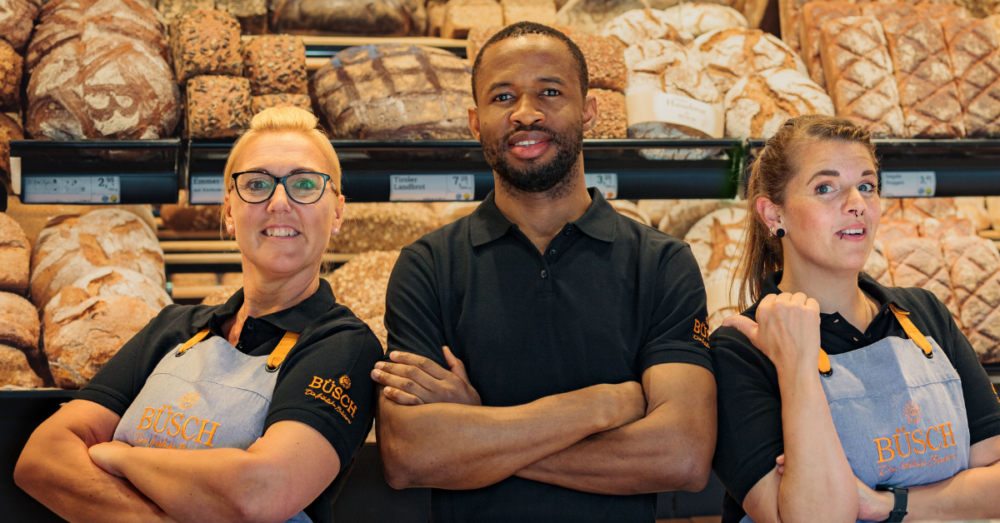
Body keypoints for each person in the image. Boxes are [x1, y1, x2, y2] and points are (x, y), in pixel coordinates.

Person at [370, 22, 717, 523]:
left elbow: (682, 456)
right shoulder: (428, 265)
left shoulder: (661, 263)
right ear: (474, 121)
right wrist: (601, 406)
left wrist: (475, 430)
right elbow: (408, 456)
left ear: (589, 112)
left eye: (550, 92)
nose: (526, 113)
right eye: (502, 96)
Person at [15, 107, 383, 523]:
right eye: (257, 184)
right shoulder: (172, 327)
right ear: (229, 212)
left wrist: (121, 457)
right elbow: (41, 458)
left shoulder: (344, 346)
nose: (280, 202)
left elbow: (261, 492)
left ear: (336, 213)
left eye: (304, 184)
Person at [711, 114, 1000, 523]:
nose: (856, 204)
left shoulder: (924, 314)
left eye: (867, 186)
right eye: (826, 188)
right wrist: (796, 368)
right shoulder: (742, 347)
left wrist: (884, 504)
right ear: (773, 215)